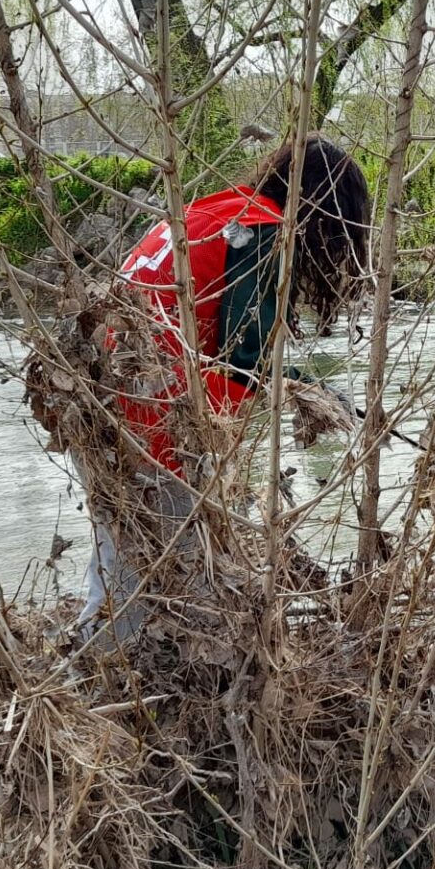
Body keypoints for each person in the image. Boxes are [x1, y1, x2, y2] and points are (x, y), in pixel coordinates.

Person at [77, 135, 370, 643]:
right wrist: (318, 395)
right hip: (150, 412)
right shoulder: (259, 233)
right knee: (164, 570)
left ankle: (127, 674)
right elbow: (244, 360)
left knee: (127, 556)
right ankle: (88, 684)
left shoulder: (215, 211)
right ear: (331, 212)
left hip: (93, 393)